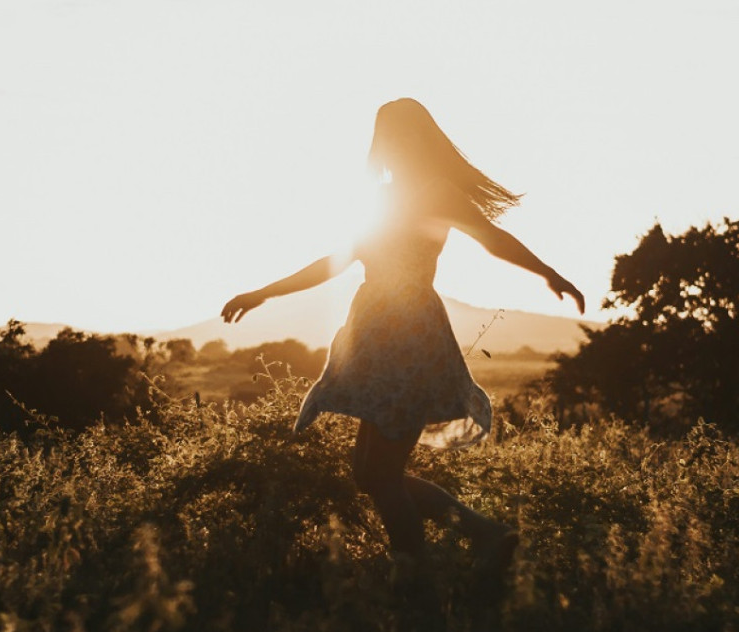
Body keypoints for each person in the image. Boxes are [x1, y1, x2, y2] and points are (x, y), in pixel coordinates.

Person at [221, 98, 584, 575]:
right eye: (385, 136)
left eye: (401, 135)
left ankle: (418, 581)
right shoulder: (382, 198)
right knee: (368, 475)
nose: (391, 145)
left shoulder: (438, 191)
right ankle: (484, 535)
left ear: (420, 139)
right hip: (373, 338)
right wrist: (265, 292)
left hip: (411, 338)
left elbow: (493, 239)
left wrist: (548, 273)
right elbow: (336, 260)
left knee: (383, 477)